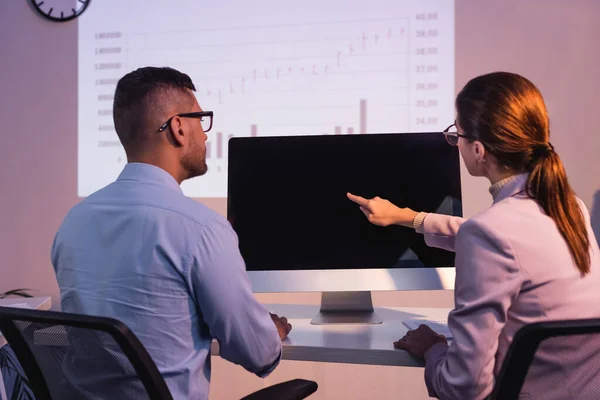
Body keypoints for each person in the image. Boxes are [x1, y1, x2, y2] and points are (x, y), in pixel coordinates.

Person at [348, 72, 600, 399]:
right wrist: (408, 218)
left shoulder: (491, 232)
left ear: (478, 150)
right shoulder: (569, 207)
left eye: (456, 136)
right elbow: (499, 239)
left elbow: (462, 387)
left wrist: (433, 350)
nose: (455, 143)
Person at [51, 66, 291, 399]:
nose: (206, 135)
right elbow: (258, 353)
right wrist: (269, 332)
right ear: (177, 127)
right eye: (201, 119)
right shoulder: (202, 230)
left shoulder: (73, 223)